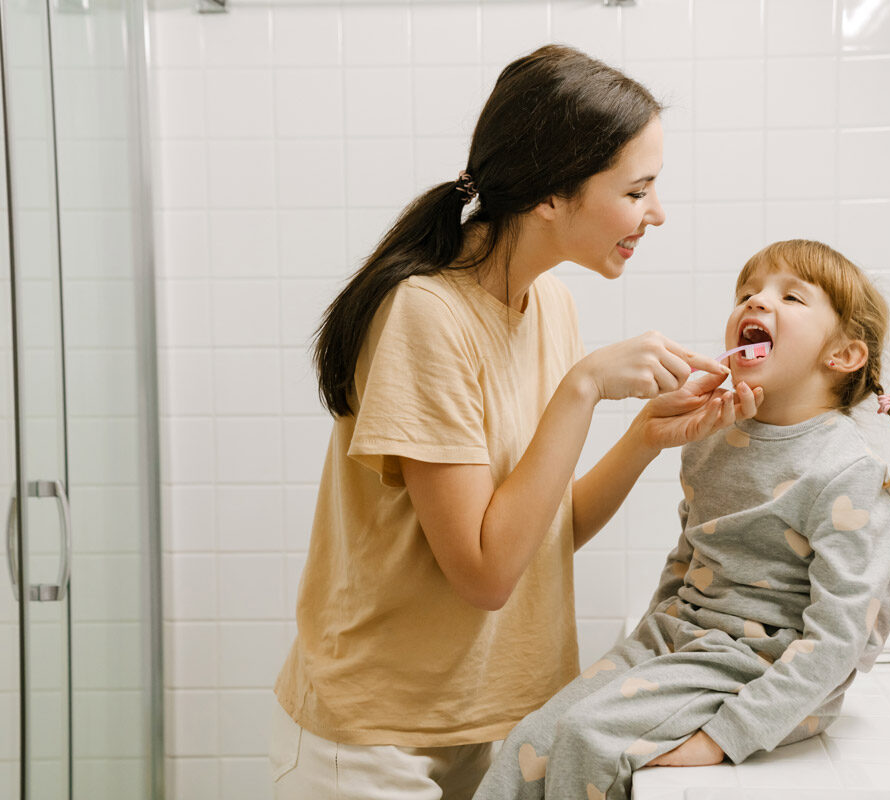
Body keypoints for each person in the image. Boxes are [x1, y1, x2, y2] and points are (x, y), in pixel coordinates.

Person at [270, 44, 763, 800]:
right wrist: (586, 386)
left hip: (486, 720)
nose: (656, 213)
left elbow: (537, 534)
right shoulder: (425, 315)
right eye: (638, 190)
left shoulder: (549, 304)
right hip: (376, 743)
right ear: (549, 197)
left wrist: (643, 439)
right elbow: (486, 573)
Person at [471, 239, 890, 800]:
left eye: (791, 296)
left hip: (761, 667)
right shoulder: (713, 439)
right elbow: (688, 562)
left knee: (589, 738)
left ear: (844, 355)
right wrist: (639, 648)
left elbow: (840, 639)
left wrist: (725, 735)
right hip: (679, 642)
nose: (756, 303)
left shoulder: (846, 470)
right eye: (747, 292)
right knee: (532, 739)